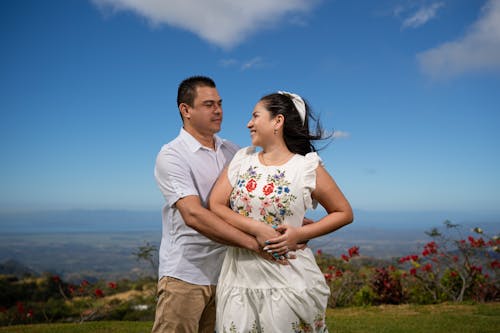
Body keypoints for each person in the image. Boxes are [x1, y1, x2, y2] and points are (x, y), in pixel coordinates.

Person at [209, 91, 354, 332]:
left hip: (289, 281)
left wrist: (298, 234)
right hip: (240, 279)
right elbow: (216, 204)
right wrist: (257, 228)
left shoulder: (306, 167)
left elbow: (344, 212)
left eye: (255, 116)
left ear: (278, 121)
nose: (249, 123)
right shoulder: (242, 160)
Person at [152, 76, 282, 333]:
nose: (219, 110)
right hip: (185, 275)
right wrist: (255, 245)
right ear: (186, 110)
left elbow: (251, 201)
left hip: (229, 274)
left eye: (220, 103)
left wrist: (290, 223)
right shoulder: (171, 155)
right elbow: (194, 215)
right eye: (209, 104)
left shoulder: (233, 151)